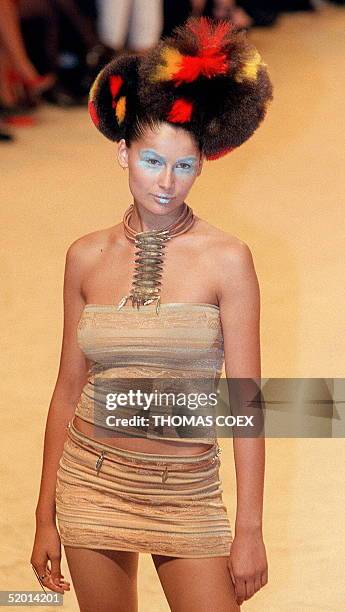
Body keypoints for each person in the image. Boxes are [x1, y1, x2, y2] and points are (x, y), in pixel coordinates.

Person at [30, 17, 273, 611]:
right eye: (151, 161)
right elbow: (68, 386)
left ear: (202, 165)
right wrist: (45, 517)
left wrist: (248, 530)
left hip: (188, 490)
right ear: (123, 153)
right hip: (91, 480)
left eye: (183, 165)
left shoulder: (228, 260)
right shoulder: (84, 257)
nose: (167, 182)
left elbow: (246, 402)